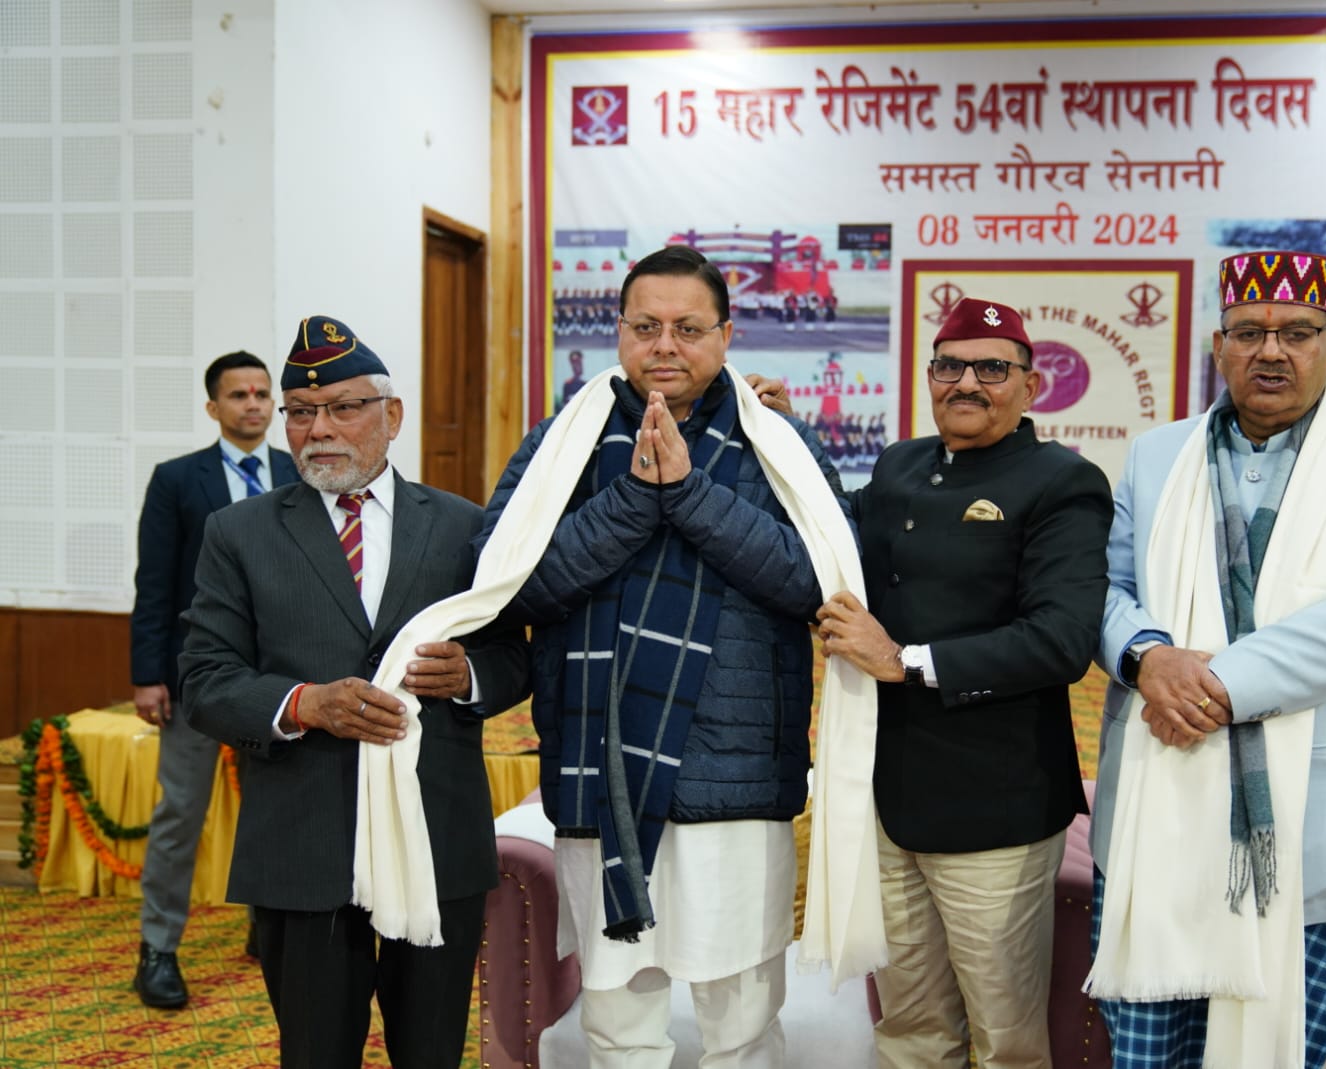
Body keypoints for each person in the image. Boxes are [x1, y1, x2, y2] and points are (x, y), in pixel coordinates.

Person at [478, 245, 851, 1067]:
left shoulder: (778, 444)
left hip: (734, 775)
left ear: (726, 335)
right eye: (646, 326)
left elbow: (817, 582)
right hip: (600, 770)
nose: (666, 346)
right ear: (618, 331)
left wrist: (688, 493)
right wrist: (631, 501)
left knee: (741, 1022)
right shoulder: (561, 446)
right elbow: (508, 584)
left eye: (688, 328)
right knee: (619, 1024)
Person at [1088, 250, 1326, 1068]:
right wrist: (1146, 657)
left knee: (1312, 1049)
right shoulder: (1157, 455)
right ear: (1219, 346)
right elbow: (1104, 588)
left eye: (1297, 332)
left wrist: (1214, 682)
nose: (1272, 351)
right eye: (1249, 332)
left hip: (1321, 825)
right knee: (1151, 1051)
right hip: (1159, 812)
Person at [178, 317, 529, 1069]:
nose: (319, 430)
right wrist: (305, 704)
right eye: (301, 413)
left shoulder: (465, 528)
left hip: (435, 839)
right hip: (305, 843)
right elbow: (204, 679)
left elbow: (514, 656)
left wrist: (469, 675)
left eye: (343, 408)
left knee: (431, 1052)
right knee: (314, 1053)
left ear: (391, 416)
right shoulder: (238, 533)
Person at [810, 298, 1114, 1067]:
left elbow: (1061, 641)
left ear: (1031, 385)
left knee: (1005, 1041)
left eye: (991, 368)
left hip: (996, 809)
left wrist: (903, 659)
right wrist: (782, 437)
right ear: (930, 376)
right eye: (950, 365)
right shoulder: (899, 464)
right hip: (887, 797)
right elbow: (831, 531)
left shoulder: (1063, 482)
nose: (967, 382)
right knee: (909, 1029)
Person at [129, 350, 298, 1009]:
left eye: (261, 393)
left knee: (275, 806)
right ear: (213, 407)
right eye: (238, 394)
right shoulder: (177, 480)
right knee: (181, 813)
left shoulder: (297, 470)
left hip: (279, 680)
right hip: (198, 675)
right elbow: (154, 583)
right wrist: (149, 675)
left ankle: (268, 921)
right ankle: (158, 947)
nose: (253, 404)